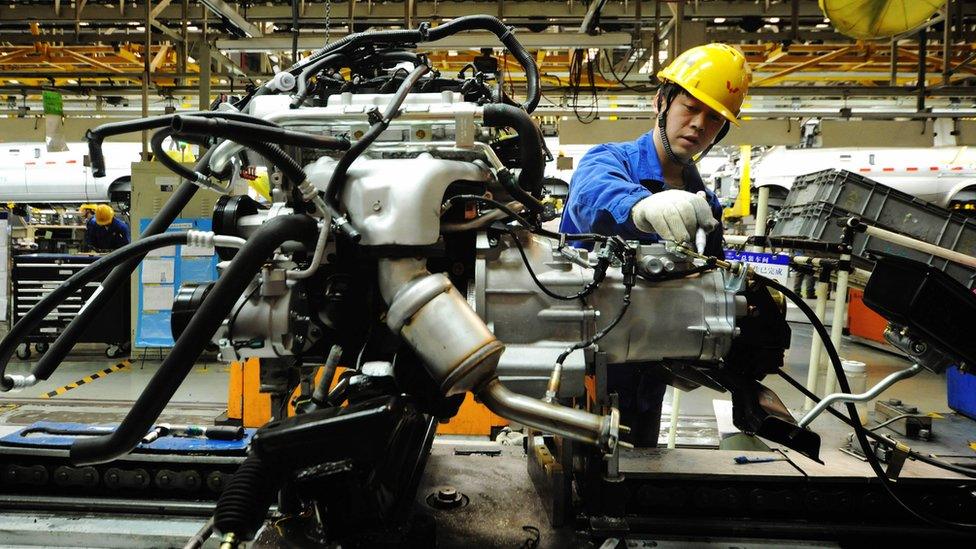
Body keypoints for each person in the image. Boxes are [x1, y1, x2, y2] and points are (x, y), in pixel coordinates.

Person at [559, 44, 751, 447]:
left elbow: (712, 287)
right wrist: (641, 205)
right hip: (584, 369)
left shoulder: (705, 206)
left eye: (713, 118)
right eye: (690, 107)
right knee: (569, 482)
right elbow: (593, 194)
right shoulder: (609, 160)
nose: (699, 125)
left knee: (636, 475)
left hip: (650, 377)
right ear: (661, 102)